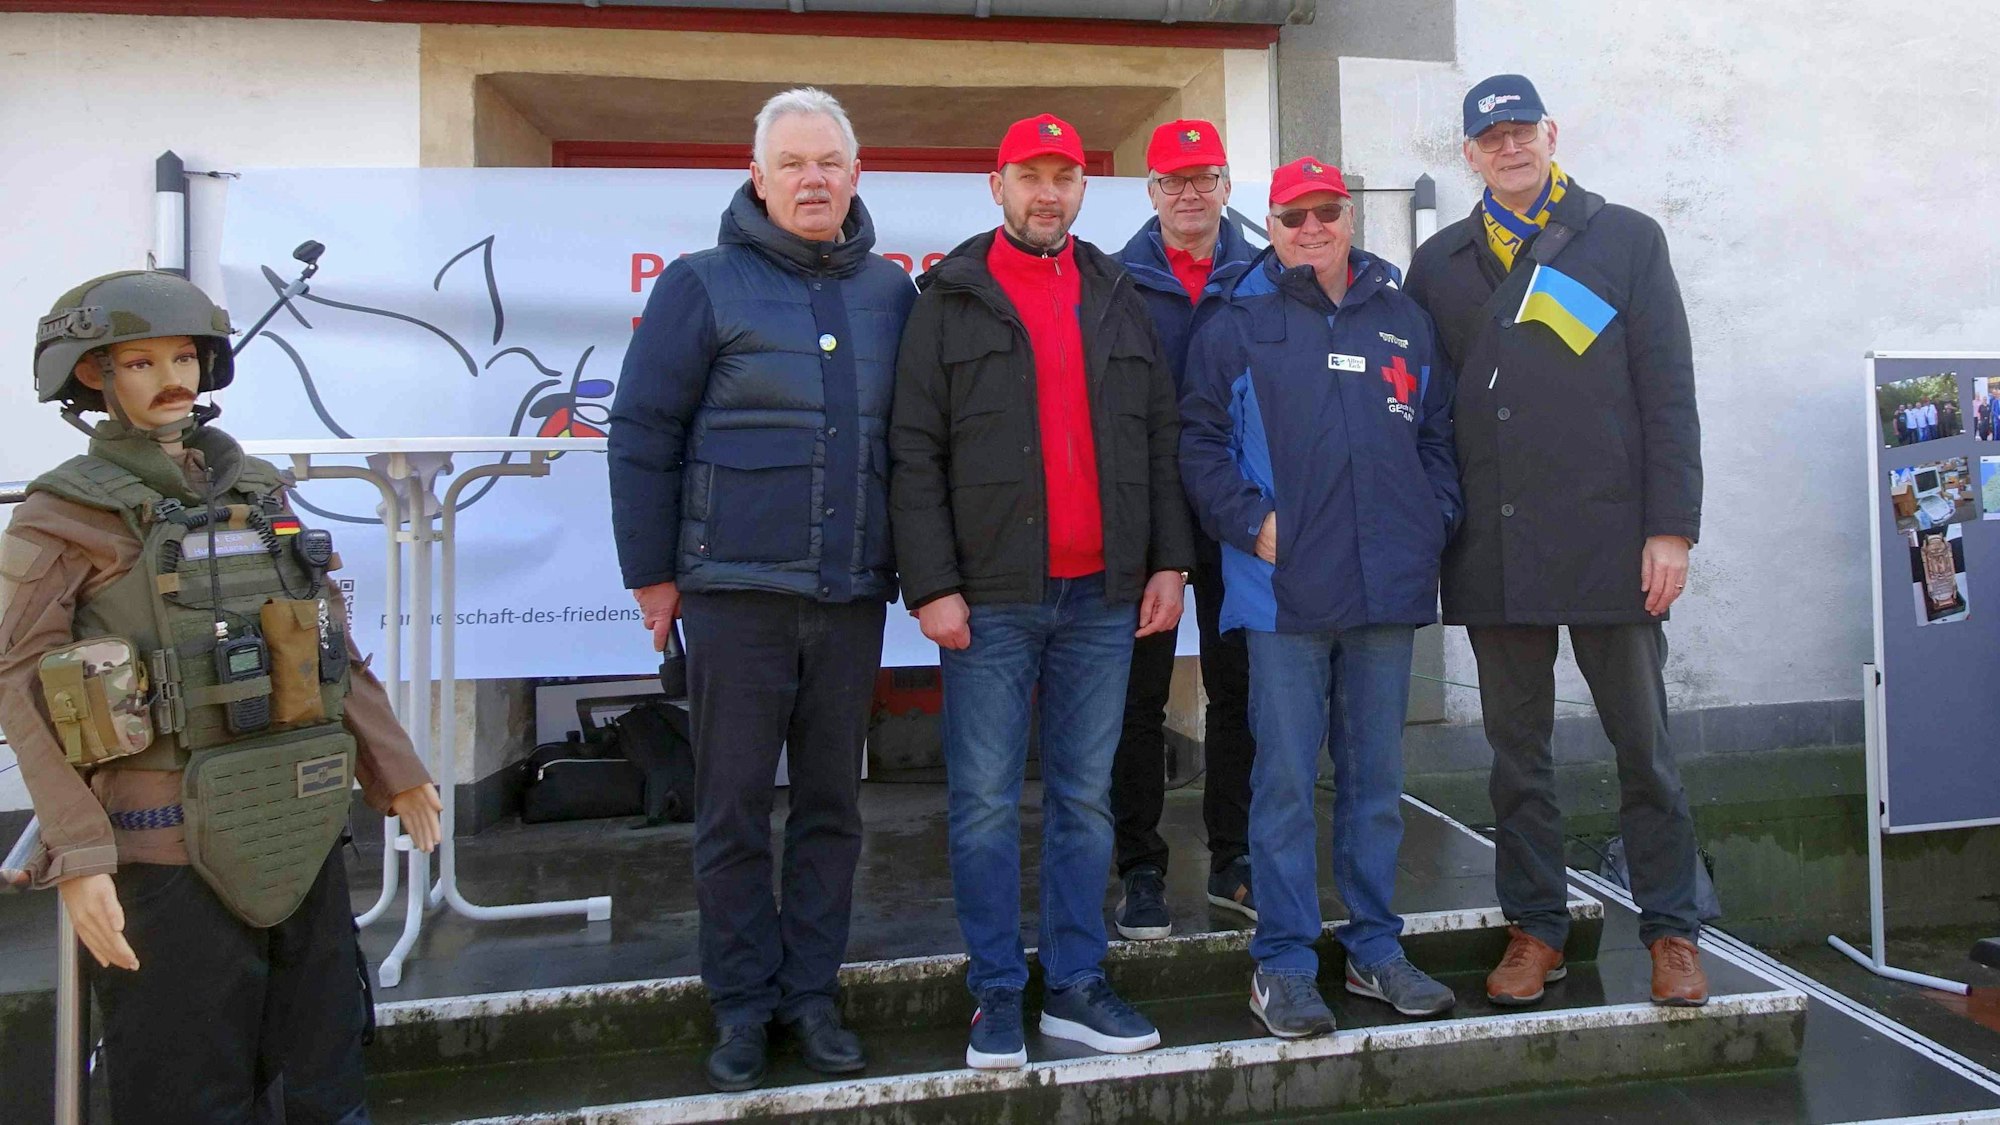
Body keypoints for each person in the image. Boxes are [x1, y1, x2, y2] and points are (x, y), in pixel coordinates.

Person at [0, 270, 441, 1123]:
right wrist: (80, 850)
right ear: (92, 375)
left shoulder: (255, 492)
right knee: (185, 1082)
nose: (172, 377)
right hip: (165, 851)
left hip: (298, 823)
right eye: (139, 361)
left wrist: (398, 768)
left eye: (185, 356)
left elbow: (326, 646)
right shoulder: (65, 514)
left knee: (321, 1070)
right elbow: (19, 680)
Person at [607, 87, 917, 1091]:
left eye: (828, 162)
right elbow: (642, 432)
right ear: (757, 176)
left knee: (831, 807)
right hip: (732, 599)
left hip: (846, 598)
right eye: (791, 163)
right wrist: (652, 575)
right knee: (733, 810)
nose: (812, 179)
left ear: (856, 175)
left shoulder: (890, 295)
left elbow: (911, 450)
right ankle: (740, 1004)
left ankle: (811, 995)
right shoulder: (700, 286)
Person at [890, 112, 1195, 1070]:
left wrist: (1168, 561)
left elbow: (1156, 434)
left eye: (1065, 175)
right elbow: (912, 450)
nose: (1048, 192)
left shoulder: (1115, 289)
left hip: (1103, 597)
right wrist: (932, 584)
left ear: (1081, 190)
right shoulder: (948, 296)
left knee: (1085, 798)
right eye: (1031, 174)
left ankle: (1073, 984)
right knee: (982, 801)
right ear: (998, 184)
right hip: (990, 599)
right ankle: (994, 994)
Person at [1405, 74, 1710, 1008]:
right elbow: (1424, 409)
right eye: (1489, 137)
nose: (1508, 148)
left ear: (1550, 132)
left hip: (1613, 539)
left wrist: (1671, 530)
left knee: (1644, 747)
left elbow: (1668, 393)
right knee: (1517, 758)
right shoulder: (1441, 263)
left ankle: (1672, 929)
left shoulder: (1623, 239)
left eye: (1521, 130)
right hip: (1493, 544)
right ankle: (1537, 927)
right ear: (1468, 153)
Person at [1181, 156, 1464, 1037]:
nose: (1312, 227)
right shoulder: (1236, 322)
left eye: (1327, 211)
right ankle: (1285, 963)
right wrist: (1253, 524)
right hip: (1285, 597)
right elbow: (1197, 443)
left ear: (1349, 217)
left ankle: (1377, 949)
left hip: (1385, 592)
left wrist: (1427, 523)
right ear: (1270, 221)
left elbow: (1438, 440)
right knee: (1284, 785)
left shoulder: (1402, 319)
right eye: (1294, 213)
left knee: (1377, 784)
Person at [1107, 119, 1262, 940]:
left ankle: (1234, 857)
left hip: (1239, 514)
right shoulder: (1113, 279)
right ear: (1151, 194)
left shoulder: (1269, 271)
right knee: (1136, 696)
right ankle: (1138, 865)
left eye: (1204, 178)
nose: (1190, 194)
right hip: (1143, 517)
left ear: (1228, 186)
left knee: (1240, 689)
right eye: (1174, 181)